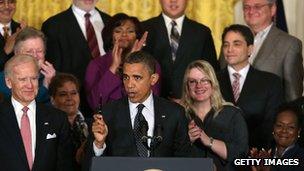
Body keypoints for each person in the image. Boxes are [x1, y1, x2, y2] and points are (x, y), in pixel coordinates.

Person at [83, 51, 190, 170]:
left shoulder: (174, 113)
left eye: (137, 78)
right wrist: (99, 144)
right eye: (125, 77)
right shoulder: (107, 113)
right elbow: (89, 165)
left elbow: (184, 162)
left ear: (153, 79)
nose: (129, 84)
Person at [0, 54, 73, 171]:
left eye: (33, 78)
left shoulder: (57, 118)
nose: (29, 85)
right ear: (9, 82)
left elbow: (66, 165)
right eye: (22, 79)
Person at [220, 0, 303, 101]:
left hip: (269, 115)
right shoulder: (230, 41)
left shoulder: (289, 45)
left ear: (272, 9)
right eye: (246, 7)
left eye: (257, 6)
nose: (251, 11)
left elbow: (293, 97)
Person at [217, 24, 284, 149]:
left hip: (256, 157)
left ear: (250, 49)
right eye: (226, 45)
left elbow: (272, 125)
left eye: (236, 44)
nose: (229, 49)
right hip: (218, 157)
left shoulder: (270, 83)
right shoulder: (211, 81)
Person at [41, 0, 111, 115]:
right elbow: (52, 71)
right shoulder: (53, 25)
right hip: (72, 107)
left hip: (110, 104)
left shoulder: (110, 22)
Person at [142, 0, 219, 104]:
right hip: (152, 103)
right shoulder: (144, 29)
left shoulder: (202, 32)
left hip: (192, 105)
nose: (173, 1)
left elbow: (211, 72)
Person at [85, 13, 161, 110]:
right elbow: (95, 103)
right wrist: (113, 68)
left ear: (138, 37)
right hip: (106, 122)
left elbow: (151, 101)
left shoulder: (151, 64)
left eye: (130, 31)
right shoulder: (96, 65)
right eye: (118, 31)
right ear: (110, 36)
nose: (124, 35)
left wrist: (134, 62)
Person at [182, 60, 248, 170]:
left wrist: (209, 141)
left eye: (204, 80)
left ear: (213, 84)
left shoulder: (232, 114)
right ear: (187, 87)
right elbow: (167, 155)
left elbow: (241, 154)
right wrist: (186, 140)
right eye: (193, 81)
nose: (199, 86)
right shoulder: (179, 115)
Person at [0, 27, 55, 103]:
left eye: (39, 51)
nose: (35, 56)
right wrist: (45, 87)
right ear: (16, 53)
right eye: (29, 51)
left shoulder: (57, 78)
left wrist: (54, 83)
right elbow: (23, 105)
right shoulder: (3, 79)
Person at [49, 73, 89, 171]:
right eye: (63, 94)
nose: (69, 98)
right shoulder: (47, 128)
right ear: (53, 99)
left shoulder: (93, 124)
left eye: (73, 93)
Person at [250, 104, 304, 171]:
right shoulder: (265, 153)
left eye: (291, 127)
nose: (284, 130)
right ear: (273, 128)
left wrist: (269, 168)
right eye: (279, 125)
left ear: (298, 131)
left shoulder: (301, 157)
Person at [0, 0, 25, 71]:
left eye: (11, 2)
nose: (7, 7)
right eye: (1, 2)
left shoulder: (22, 29)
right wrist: (6, 51)